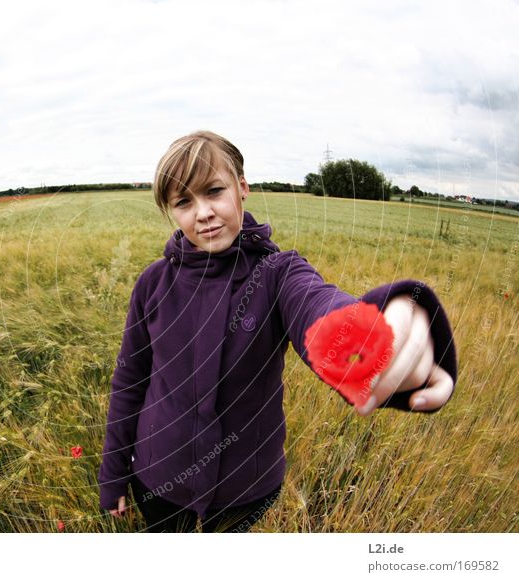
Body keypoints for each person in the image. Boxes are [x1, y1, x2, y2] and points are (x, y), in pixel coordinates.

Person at [97, 130, 457, 532]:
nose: (203, 212)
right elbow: (129, 382)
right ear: (170, 211)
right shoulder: (153, 284)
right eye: (184, 202)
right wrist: (113, 474)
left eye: (214, 190)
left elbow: (318, 308)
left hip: (246, 489)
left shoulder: (278, 274)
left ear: (242, 187)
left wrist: (377, 334)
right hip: (157, 477)